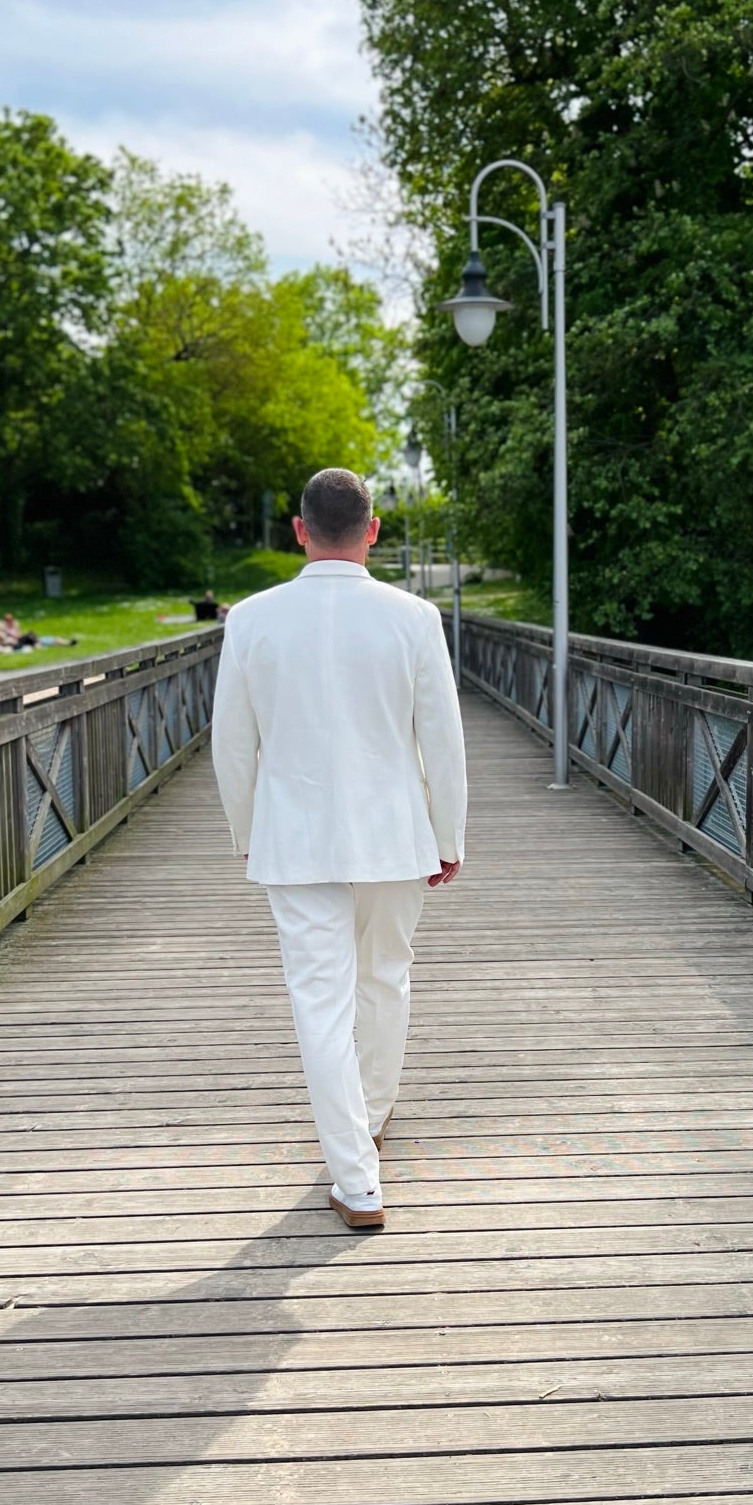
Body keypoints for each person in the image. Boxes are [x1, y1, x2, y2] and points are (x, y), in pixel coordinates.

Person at [212, 466, 468, 1231]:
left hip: (295, 839)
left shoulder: (252, 619)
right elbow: (443, 741)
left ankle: (357, 1180)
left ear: (298, 530)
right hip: (395, 835)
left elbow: (231, 743)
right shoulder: (414, 617)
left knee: (319, 1004)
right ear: (373, 529)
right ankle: (373, 1115)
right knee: (385, 977)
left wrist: (249, 833)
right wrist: (447, 833)